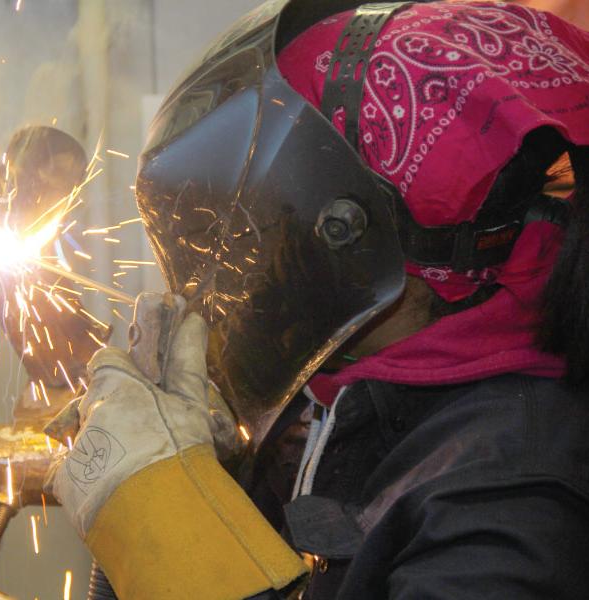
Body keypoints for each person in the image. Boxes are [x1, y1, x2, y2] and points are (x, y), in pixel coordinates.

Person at [46, 1, 589, 598]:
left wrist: (168, 526)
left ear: (348, 232)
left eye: (263, 228)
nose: (241, 266)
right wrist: (221, 478)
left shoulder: (512, 502)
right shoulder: (382, 397)